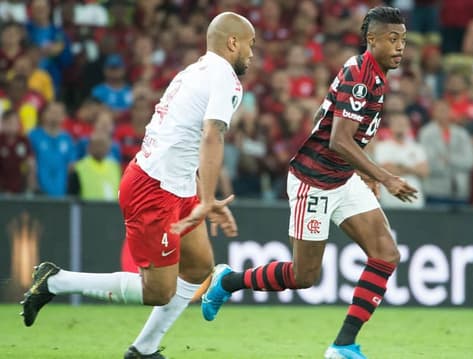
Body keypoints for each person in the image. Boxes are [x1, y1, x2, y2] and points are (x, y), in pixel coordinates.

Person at [21, 12, 255, 359]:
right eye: (250, 44)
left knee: (199, 266)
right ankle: (54, 280)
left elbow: (184, 136)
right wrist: (208, 198)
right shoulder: (225, 78)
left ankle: (143, 350)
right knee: (157, 291)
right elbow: (211, 135)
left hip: (173, 184)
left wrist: (200, 195)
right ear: (232, 42)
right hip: (154, 188)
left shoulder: (196, 70)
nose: (252, 53)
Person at [193, 7, 417, 359]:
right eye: (392, 39)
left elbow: (323, 118)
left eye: (403, 39)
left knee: (386, 254)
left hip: (341, 178)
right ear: (371, 39)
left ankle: (344, 345)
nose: (400, 46)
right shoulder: (361, 75)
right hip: (314, 182)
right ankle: (228, 281)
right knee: (303, 275)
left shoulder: (371, 73)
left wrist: (359, 171)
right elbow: (338, 140)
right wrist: (383, 176)